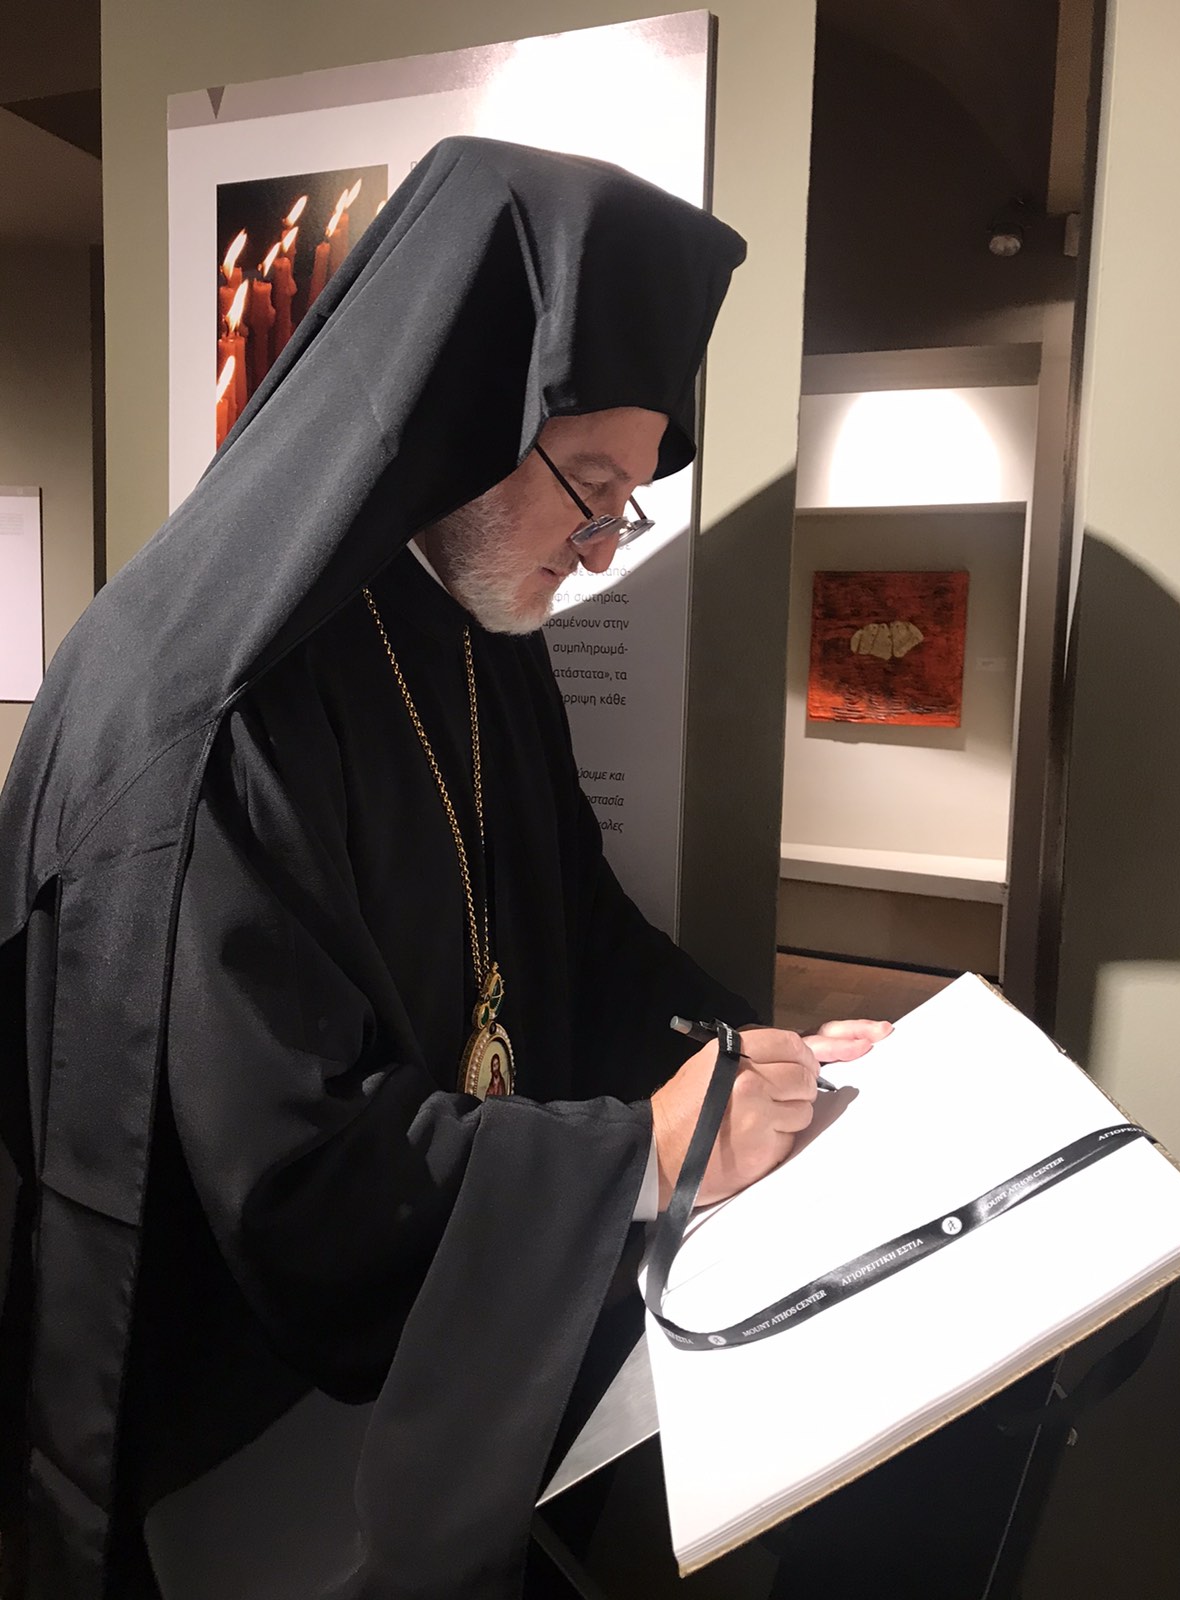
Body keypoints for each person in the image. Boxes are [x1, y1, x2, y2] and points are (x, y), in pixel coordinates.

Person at [0, 137, 887, 1600]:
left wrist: (751, 1052)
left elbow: (578, 935)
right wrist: (641, 1154)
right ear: (465, 407)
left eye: (628, 499)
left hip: (409, 1377)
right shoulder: (210, 704)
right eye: (588, 488)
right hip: (236, 1415)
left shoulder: (478, 632)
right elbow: (292, 1175)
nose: (601, 552)